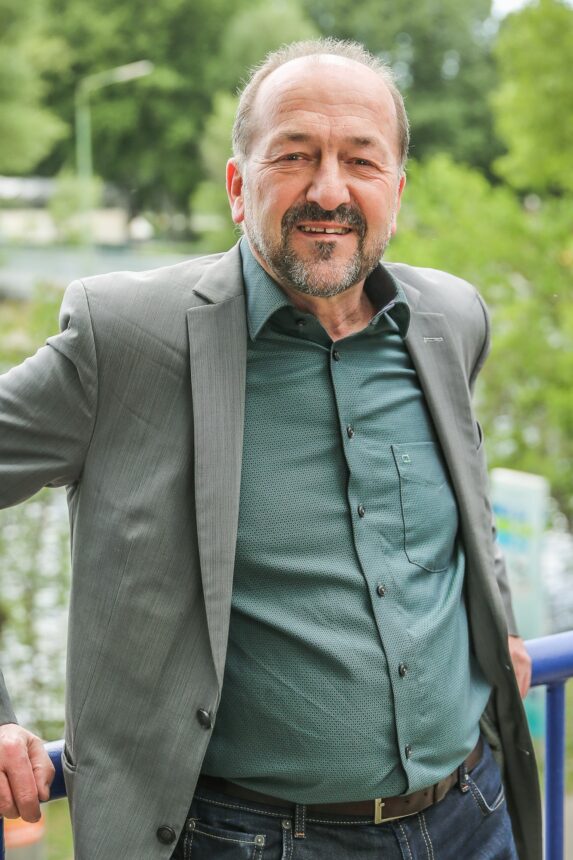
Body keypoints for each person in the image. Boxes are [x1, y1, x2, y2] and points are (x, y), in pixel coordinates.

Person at [0, 38, 541, 860]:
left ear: (396, 190)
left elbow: (464, 500)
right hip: (248, 839)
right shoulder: (127, 339)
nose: (329, 190)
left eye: (361, 160)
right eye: (294, 156)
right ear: (235, 185)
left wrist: (492, 622)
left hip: (471, 817)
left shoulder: (450, 318)